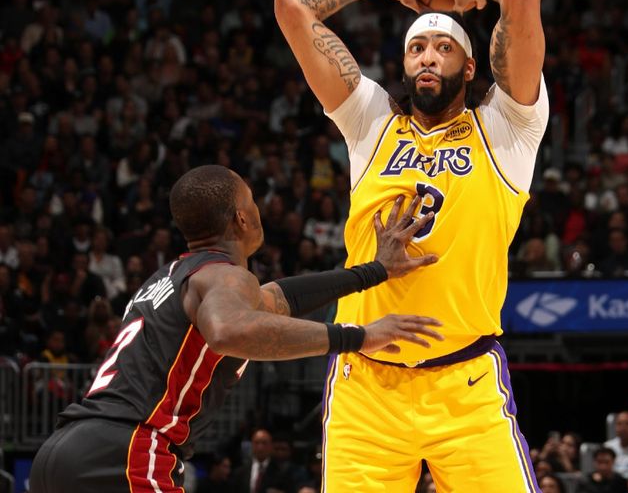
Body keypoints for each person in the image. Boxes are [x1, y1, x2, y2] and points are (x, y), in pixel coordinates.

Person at [275, 0, 548, 491]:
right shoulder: (371, 122)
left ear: (470, 66)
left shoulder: (507, 130)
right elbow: (291, 5)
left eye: (443, 47)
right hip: (366, 385)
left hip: (466, 385)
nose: (427, 56)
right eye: (416, 47)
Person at [29, 165, 443, 493]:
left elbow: (276, 300)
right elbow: (229, 330)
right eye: (252, 198)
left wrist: (374, 272)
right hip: (128, 450)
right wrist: (357, 337)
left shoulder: (175, 276)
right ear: (242, 218)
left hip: (62, 450)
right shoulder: (224, 278)